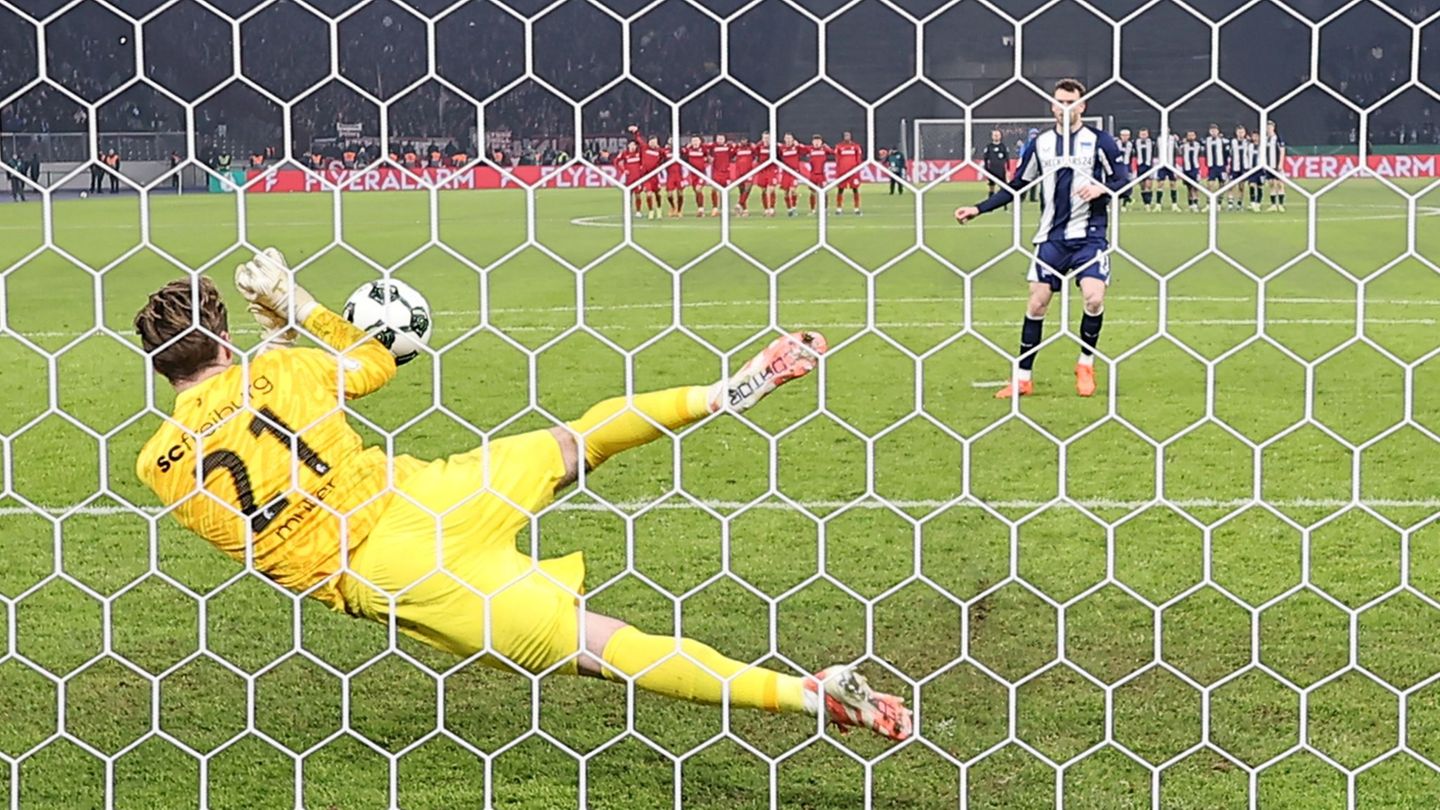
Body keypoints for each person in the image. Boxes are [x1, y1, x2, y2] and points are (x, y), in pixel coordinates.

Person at [131, 254, 912, 742]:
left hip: (382, 573)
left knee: (599, 647)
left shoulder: (156, 464)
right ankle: (720, 392)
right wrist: (297, 311)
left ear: (161, 366)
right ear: (224, 340)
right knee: (580, 442)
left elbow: (243, 436)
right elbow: (371, 362)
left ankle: (813, 699)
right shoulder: (281, 373)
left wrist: (265, 352)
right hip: (425, 497)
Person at [953, 78, 1131, 400]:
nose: (1065, 107)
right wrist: (979, 208)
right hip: (1050, 238)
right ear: (1052, 106)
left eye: (1071, 102)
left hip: (1090, 236)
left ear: (1082, 105)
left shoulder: (1100, 141)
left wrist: (1101, 188)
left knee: (1093, 298)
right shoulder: (1041, 144)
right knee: (1036, 305)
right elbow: (1018, 184)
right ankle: (1022, 379)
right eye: (1060, 102)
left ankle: (1085, 364)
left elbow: (1125, 183)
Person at [833, 132, 864, 215]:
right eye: (845, 136)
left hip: (853, 172)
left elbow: (859, 158)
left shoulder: (856, 146)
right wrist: (838, 170)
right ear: (843, 137)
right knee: (840, 190)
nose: (847, 137)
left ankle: (856, 208)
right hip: (842, 172)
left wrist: (857, 169)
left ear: (851, 137)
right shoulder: (839, 146)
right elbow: (837, 159)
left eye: (848, 136)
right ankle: (839, 209)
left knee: (855, 189)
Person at [980, 129, 1009, 209]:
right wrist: (986, 169)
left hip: (1001, 170)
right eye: (994, 135)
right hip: (992, 170)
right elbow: (985, 159)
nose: (996, 136)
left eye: (998, 135)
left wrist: (1008, 170)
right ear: (992, 136)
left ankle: (1004, 205)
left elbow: (1007, 159)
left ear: (1000, 136)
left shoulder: (1003, 146)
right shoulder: (989, 147)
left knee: (1004, 188)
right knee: (991, 187)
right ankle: (989, 204)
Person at [1203, 123, 1228, 211]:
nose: (1213, 132)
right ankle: (1208, 204)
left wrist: (1227, 165)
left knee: (1222, 184)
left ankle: (1219, 204)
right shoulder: (1206, 140)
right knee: (1210, 184)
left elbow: (1227, 153)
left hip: (1221, 166)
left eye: (1215, 130)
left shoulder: (1223, 141)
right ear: (1210, 131)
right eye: (1212, 130)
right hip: (1212, 167)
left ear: (1218, 131)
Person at [1265, 120, 1286, 211]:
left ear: (1273, 128)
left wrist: (1280, 163)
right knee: (1271, 184)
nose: (1268, 128)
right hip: (1268, 165)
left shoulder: (1278, 138)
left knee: (1280, 184)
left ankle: (1280, 204)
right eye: (1267, 127)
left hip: (1276, 165)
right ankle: (1273, 205)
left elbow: (1282, 151)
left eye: (1270, 127)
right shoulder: (1265, 139)